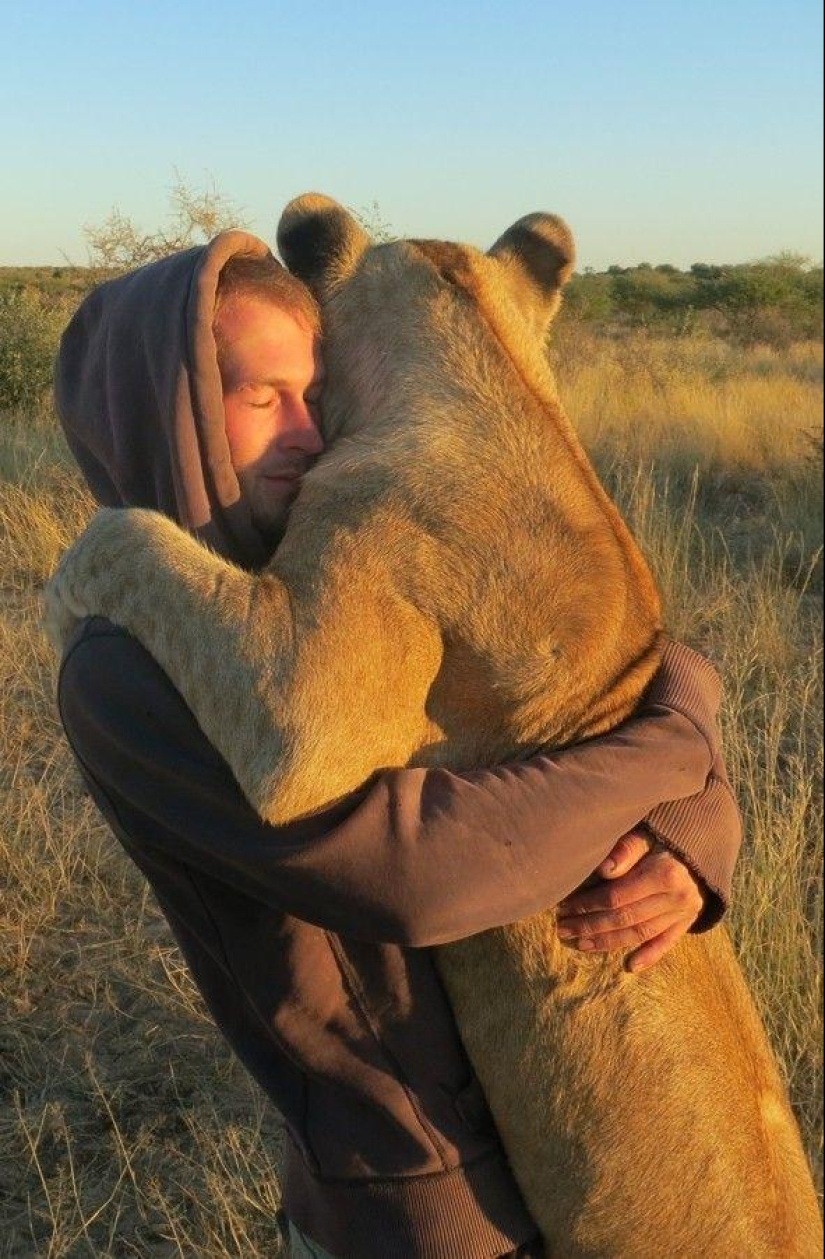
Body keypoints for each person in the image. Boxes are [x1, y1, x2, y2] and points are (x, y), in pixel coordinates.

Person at [53, 230, 742, 1259]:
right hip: (417, 1200)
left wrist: (696, 824)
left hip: (553, 1137)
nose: (307, 429)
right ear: (164, 411)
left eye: (314, 389)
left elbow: (575, 687)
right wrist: (674, 744)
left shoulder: (316, 570)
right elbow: (418, 874)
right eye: (256, 396)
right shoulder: (125, 666)